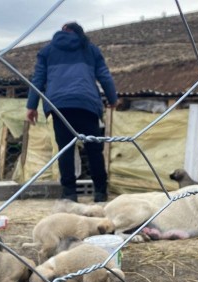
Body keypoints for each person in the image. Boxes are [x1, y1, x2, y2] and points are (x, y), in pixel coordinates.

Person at [26, 22, 118, 203]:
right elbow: (104, 76)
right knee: (93, 149)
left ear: (62, 32)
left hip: (59, 106)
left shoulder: (47, 51)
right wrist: (112, 99)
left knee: (66, 150)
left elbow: (38, 79)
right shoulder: (90, 49)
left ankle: (69, 194)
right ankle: (100, 192)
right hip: (87, 104)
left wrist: (31, 106)